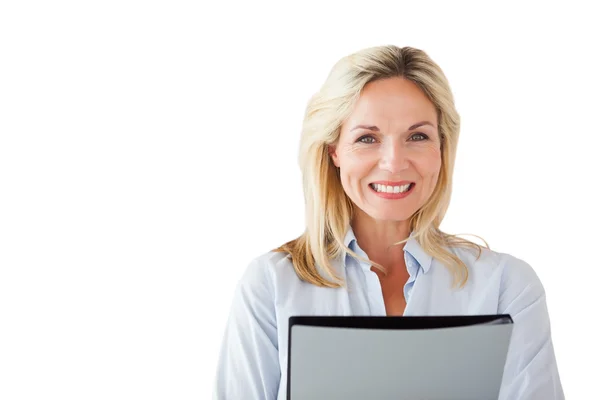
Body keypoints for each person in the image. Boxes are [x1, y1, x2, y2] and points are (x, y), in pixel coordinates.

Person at [213, 45, 564, 399]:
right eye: (367, 138)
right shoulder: (272, 286)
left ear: (442, 148)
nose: (394, 163)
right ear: (333, 149)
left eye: (417, 136)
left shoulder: (505, 288)